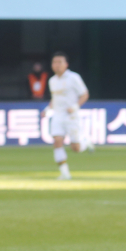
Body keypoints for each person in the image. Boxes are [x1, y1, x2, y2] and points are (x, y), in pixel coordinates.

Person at [41, 52, 90, 181]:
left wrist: (75, 107)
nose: (57, 65)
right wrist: (47, 109)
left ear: (66, 64)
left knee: (76, 148)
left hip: (71, 116)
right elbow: (54, 99)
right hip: (58, 115)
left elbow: (84, 94)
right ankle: (65, 173)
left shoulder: (73, 77)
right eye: (54, 62)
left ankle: (85, 143)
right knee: (57, 140)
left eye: (59, 62)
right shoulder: (52, 80)